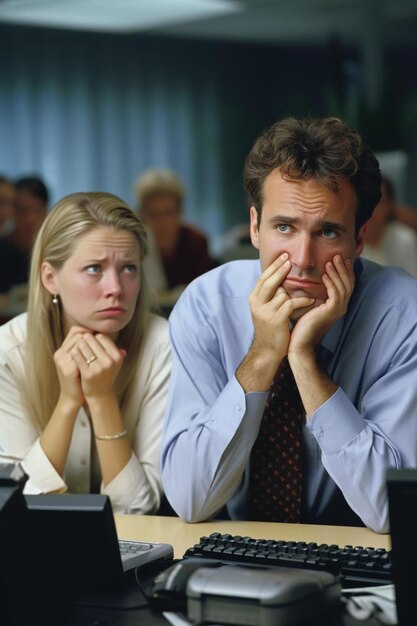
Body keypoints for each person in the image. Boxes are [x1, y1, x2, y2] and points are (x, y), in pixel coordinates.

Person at [161, 116, 417, 533]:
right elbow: (191, 499)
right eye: (284, 227)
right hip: (235, 559)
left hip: (358, 563)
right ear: (254, 228)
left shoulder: (403, 314)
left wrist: (302, 359)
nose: (302, 258)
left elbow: (391, 512)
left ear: (360, 238)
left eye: (328, 232)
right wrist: (264, 353)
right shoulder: (207, 306)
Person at [0, 192, 171, 514]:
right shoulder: (8, 352)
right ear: (50, 278)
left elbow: (138, 508)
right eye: (94, 268)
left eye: (129, 268)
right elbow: (16, 504)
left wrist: (102, 399)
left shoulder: (163, 345)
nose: (116, 288)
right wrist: (68, 402)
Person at [135, 169, 215, 307]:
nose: (162, 222)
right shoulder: (138, 245)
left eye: (168, 212)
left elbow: (206, 294)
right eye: (154, 214)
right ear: (143, 216)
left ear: (179, 212)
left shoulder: (196, 241)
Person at [0, 176, 49, 294]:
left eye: (35, 210)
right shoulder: (3, 249)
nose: (30, 219)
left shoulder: (51, 250)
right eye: (22, 210)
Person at [363, 176, 417, 277]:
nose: (371, 210)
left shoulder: (404, 239)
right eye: (366, 201)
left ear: (390, 206)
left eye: (378, 202)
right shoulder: (348, 240)